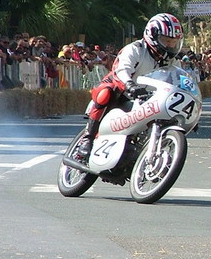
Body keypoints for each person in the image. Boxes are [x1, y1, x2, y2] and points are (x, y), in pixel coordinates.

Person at [77, 13, 184, 158]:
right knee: (106, 93)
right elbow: (121, 69)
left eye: (173, 42)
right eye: (166, 41)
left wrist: (185, 111)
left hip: (147, 100)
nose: (170, 46)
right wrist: (129, 85)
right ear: (152, 35)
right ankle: (87, 138)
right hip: (121, 89)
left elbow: (179, 83)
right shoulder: (136, 49)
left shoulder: (173, 63)